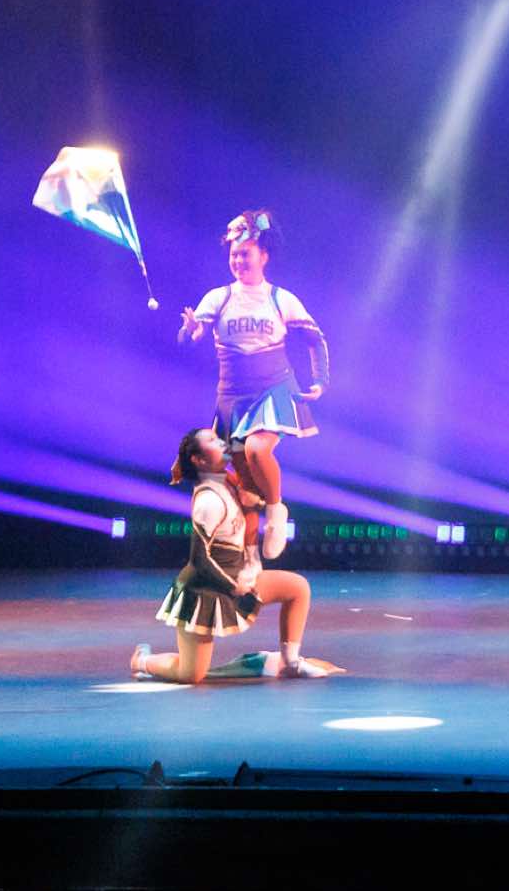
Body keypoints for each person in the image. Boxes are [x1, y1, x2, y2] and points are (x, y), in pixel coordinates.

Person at [176, 209, 329, 559]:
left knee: (257, 450)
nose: (238, 261)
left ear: (264, 256)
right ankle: (250, 559)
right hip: (232, 397)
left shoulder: (281, 299)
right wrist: (190, 331)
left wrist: (320, 380)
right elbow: (187, 338)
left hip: (274, 388)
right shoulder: (218, 297)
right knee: (246, 490)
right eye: (234, 255)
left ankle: (277, 513)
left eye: (245, 254)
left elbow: (316, 340)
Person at [129, 427, 316, 683]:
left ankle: (290, 661)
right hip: (204, 589)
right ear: (199, 460)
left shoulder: (228, 481)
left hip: (238, 574)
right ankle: (142, 661)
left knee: (297, 588)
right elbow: (199, 560)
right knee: (190, 675)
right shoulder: (208, 501)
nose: (221, 442)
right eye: (213, 441)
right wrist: (232, 587)